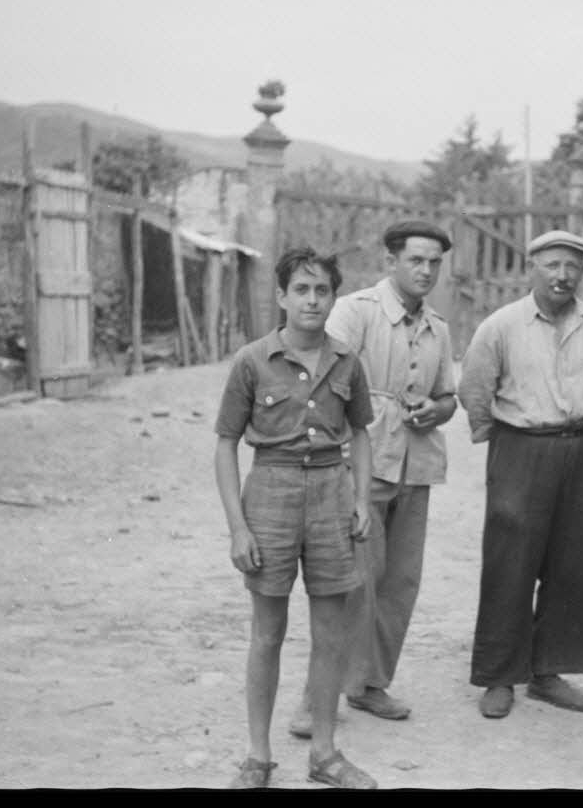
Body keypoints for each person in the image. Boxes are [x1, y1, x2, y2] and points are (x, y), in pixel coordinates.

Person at [214, 246, 378, 789]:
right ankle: (258, 757)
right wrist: (239, 526)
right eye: (301, 290)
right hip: (271, 492)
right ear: (281, 296)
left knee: (331, 632)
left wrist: (359, 499)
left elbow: (359, 432)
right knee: (268, 632)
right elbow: (225, 445)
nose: (312, 300)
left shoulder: (347, 361)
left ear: (334, 297)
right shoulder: (252, 360)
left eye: (322, 290)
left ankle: (325, 754)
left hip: (332, 494)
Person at [287, 220, 458, 734]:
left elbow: (449, 396)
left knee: (399, 583)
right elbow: (322, 380)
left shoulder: (439, 328)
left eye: (434, 263)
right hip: (361, 463)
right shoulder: (356, 312)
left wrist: (436, 408)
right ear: (391, 262)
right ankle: (316, 698)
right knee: (351, 582)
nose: (425, 270)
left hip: (417, 465)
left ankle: (368, 685)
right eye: (416, 260)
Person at [458, 229, 583, 719]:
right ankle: (500, 675)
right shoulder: (500, 325)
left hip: (581, 450)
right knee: (511, 559)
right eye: (551, 265)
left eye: (571, 266)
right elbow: (475, 390)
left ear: (582, 273)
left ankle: (549, 673)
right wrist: (502, 440)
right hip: (521, 448)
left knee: (574, 563)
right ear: (531, 268)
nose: (562, 275)